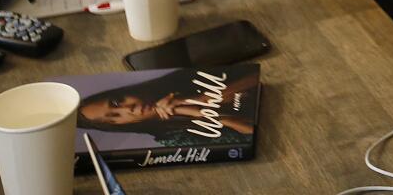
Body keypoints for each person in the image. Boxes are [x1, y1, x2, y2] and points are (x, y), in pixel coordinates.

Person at [78, 70, 260, 139]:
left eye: (117, 102)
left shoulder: (177, 78)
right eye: (115, 117)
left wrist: (200, 99)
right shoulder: (168, 136)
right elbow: (254, 133)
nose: (127, 109)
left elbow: (257, 77)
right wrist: (197, 112)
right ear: (121, 127)